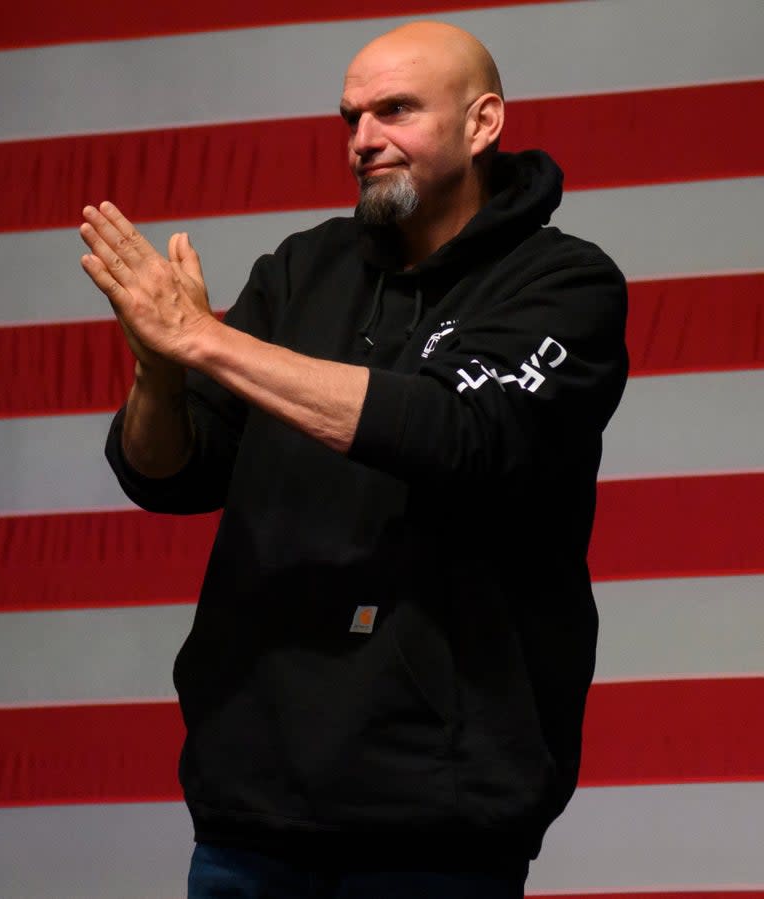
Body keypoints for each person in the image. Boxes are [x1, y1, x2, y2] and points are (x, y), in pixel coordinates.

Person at [78, 20, 628, 898]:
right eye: (351, 117)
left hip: (440, 816)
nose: (364, 139)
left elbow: (453, 432)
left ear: (483, 123)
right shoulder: (302, 270)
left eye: (396, 110)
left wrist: (207, 344)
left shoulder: (564, 285)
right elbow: (168, 475)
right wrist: (160, 367)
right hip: (247, 809)